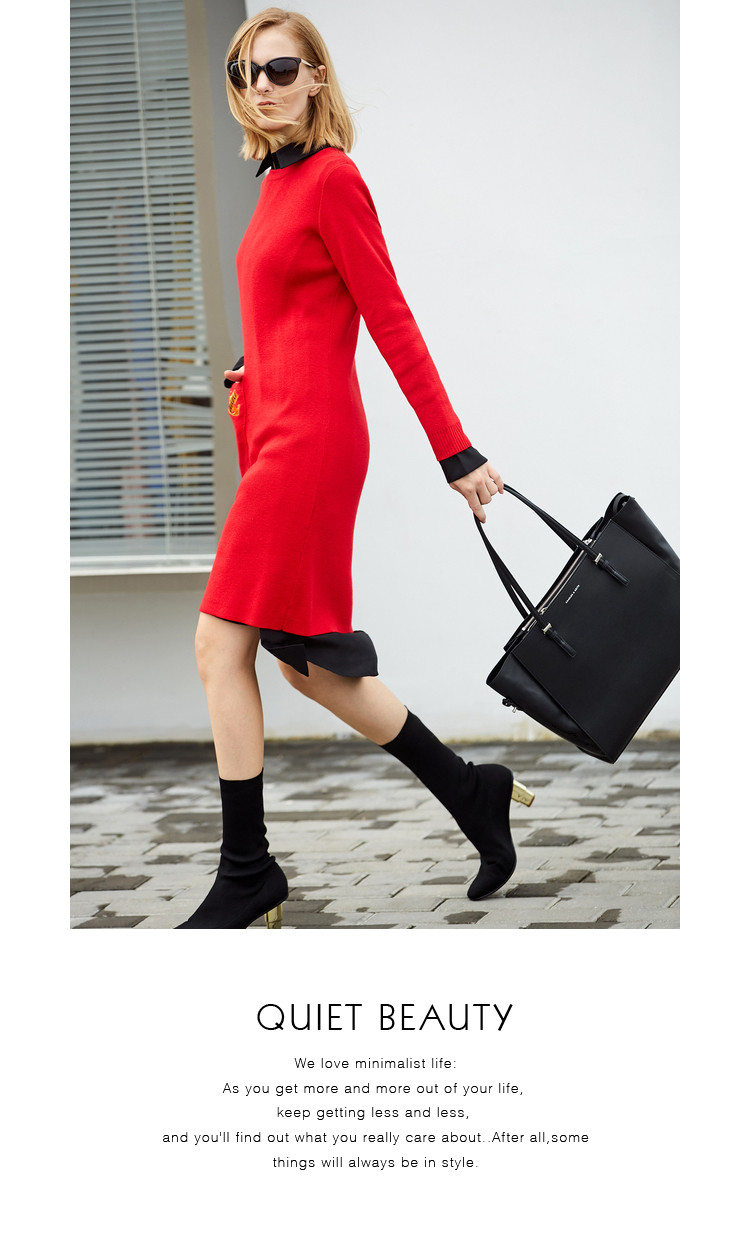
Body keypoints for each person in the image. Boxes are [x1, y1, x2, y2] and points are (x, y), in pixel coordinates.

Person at [177, 7, 534, 931]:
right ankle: (472, 791)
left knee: (220, 644)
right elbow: (296, 319)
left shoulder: (334, 179)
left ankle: (247, 871)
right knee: (307, 664)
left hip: (312, 443)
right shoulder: (274, 181)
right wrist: (254, 371)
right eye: (246, 71)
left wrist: (454, 449)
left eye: (280, 69)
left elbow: (390, 318)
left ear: (317, 78)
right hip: (277, 430)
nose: (261, 86)